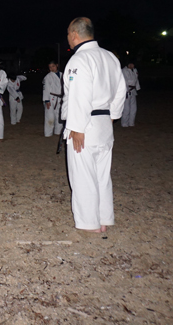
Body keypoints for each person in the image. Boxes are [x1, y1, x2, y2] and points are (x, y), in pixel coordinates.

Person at [61, 17, 126, 233]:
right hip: (104, 123)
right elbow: (120, 91)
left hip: (85, 125)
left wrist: (77, 128)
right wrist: (112, 116)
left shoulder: (80, 59)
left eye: (68, 33)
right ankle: (104, 218)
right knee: (101, 175)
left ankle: (90, 222)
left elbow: (79, 96)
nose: (68, 38)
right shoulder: (110, 57)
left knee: (83, 175)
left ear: (74, 34)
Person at [42, 61, 64, 137]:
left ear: (57, 65)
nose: (51, 68)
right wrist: (47, 100)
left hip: (60, 98)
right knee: (50, 116)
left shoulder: (62, 75)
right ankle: (48, 133)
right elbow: (46, 89)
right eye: (50, 67)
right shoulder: (48, 77)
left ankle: (58, 131)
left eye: (53, 66)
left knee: (59, 115)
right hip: (51, 98)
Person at [121, 62, 141, 127]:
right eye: (131, 64)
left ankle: (131, 123)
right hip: (127, 91)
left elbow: (136, 80)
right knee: (126, 109)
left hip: (133, 91)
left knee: (133, 108)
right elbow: (124, 81)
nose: (132, 65)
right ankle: (124, 123)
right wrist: (126, 90)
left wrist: (137, 88)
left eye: (133, 64)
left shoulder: (134, 70)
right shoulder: (124, 71)